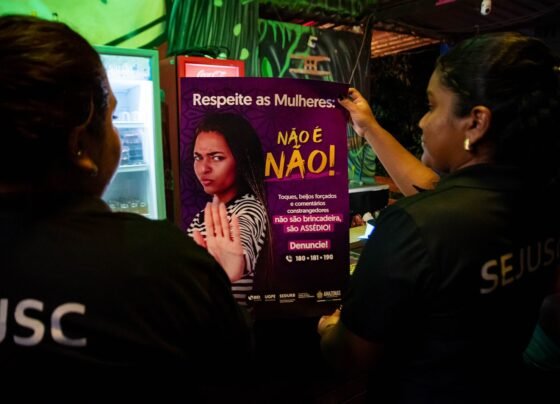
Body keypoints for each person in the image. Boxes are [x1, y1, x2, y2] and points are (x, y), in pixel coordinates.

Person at [0, 15, 253, 401]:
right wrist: (223, 282)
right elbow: (232, 371)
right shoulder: (164, 264)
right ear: (80, 143)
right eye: (112, 118)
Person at [319, 31, 560, 403]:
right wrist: (369, 128)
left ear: (476, 122)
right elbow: (437, 191)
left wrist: (330, 327)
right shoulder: (540, 203)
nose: (421, 122)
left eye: (431, 106)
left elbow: (350, 356)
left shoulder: (413, 225)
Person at [187, 112, 271, 307]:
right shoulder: (204, 215)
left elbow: (244, 236)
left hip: (229, 323)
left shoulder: (249, 207)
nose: (203, 168)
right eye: (198, 157)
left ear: (241, 161)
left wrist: (236, 264)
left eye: (217, 158)